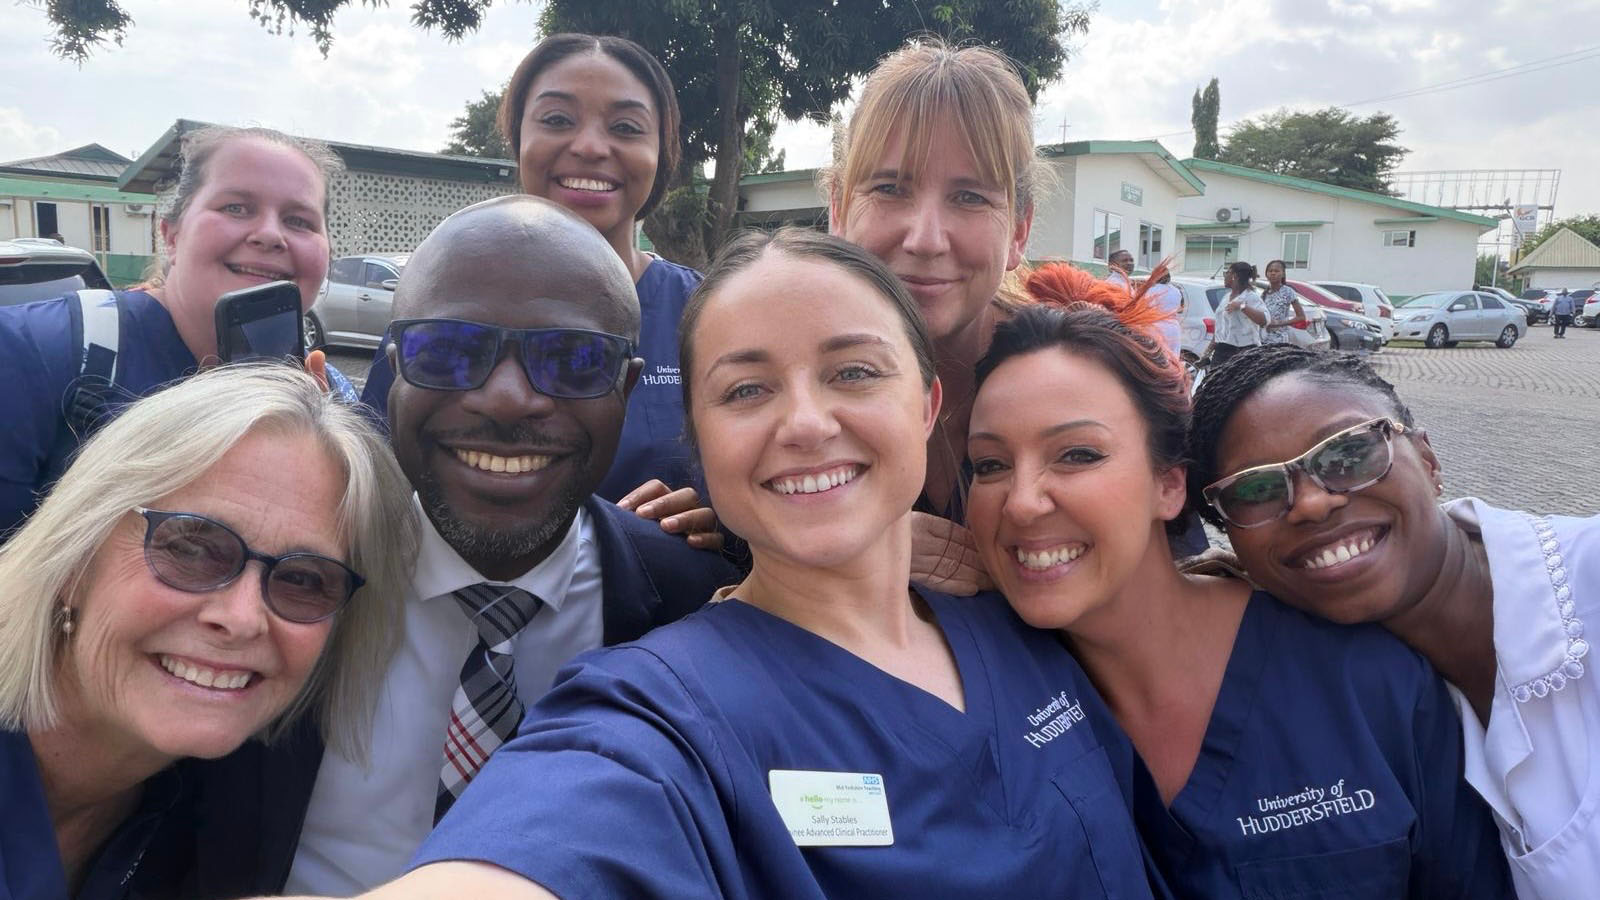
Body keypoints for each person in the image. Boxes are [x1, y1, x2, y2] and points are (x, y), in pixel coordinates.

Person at [301, 228, 1159, 900]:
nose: (806, 424)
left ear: (929, 404)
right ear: (699, 444)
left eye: (853, 371)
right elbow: (529, 853)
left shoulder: (1027, 623)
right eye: (746, 390)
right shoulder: (654, 713)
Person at [198, 195, 737, 897]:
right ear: (392, 375)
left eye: (573, 360)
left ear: (627, 389)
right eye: (449, 351)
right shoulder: (269, 580)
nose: (506, 399)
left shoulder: (694, 607)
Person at [962, 285, 1513, 899]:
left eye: (1077, 454)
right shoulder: (979, 688)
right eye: (989, 465)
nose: (1021, 502)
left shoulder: (1366, 680)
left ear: (1169, 487)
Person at [1186, 343, 1600, 899]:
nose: (1311, 504)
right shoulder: (1356, 690)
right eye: (1257, 490)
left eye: (1349, 453)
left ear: (1427, 460)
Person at [0, 364, 416, 900]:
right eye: (191, 549)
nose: (242, 618)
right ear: (76, 559)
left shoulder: (222, 805)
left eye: (304, 580)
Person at [359, 34, 705, 527]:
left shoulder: (702, 314)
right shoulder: (437, 298)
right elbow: (372, 475)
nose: (588, 146)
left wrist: (723, 532)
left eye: (626, 127)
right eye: (557, 120)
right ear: (518, 139)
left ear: (661, 154)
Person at [0, 124, 356, 538]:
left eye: (299, 220)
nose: (270, 235)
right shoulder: (30, 351)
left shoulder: (337, 402)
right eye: (236, 208)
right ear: (170, 236)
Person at [825, 38, 1040, 595]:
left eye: (969, 197)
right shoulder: (785, 387)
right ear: (838, 210)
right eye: (890, 188)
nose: (925, 240)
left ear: (1018, 231)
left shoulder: (1086, 383)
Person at [1210, 260, 1263, 367]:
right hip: (1222, 351)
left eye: (1227, 273)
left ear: (1235, 276)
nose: (1225, 276)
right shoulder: (1226, 297)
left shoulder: (1251, 297)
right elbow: (1221, 325)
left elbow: (1264, 320)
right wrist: (1209, 349)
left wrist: (1241, 306)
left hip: (1243, 352)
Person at [1258, 259, 1306, 344]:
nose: (1273, 273)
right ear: (1266, 274)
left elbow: (1301, 317)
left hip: (1280, 340)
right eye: (1270, 271)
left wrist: (1278, 323)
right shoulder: (1264, 294)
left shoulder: (1288, 292)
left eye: (1276, 271)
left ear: (1283, 274)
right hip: (1263, 340)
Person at [1143, 270, 1182, 357]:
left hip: (1156, 326)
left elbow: (1146, 309)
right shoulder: (1176, 291)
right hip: (1174, 326)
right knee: (1174, 355)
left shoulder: (1151, 290)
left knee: (1157, 355)